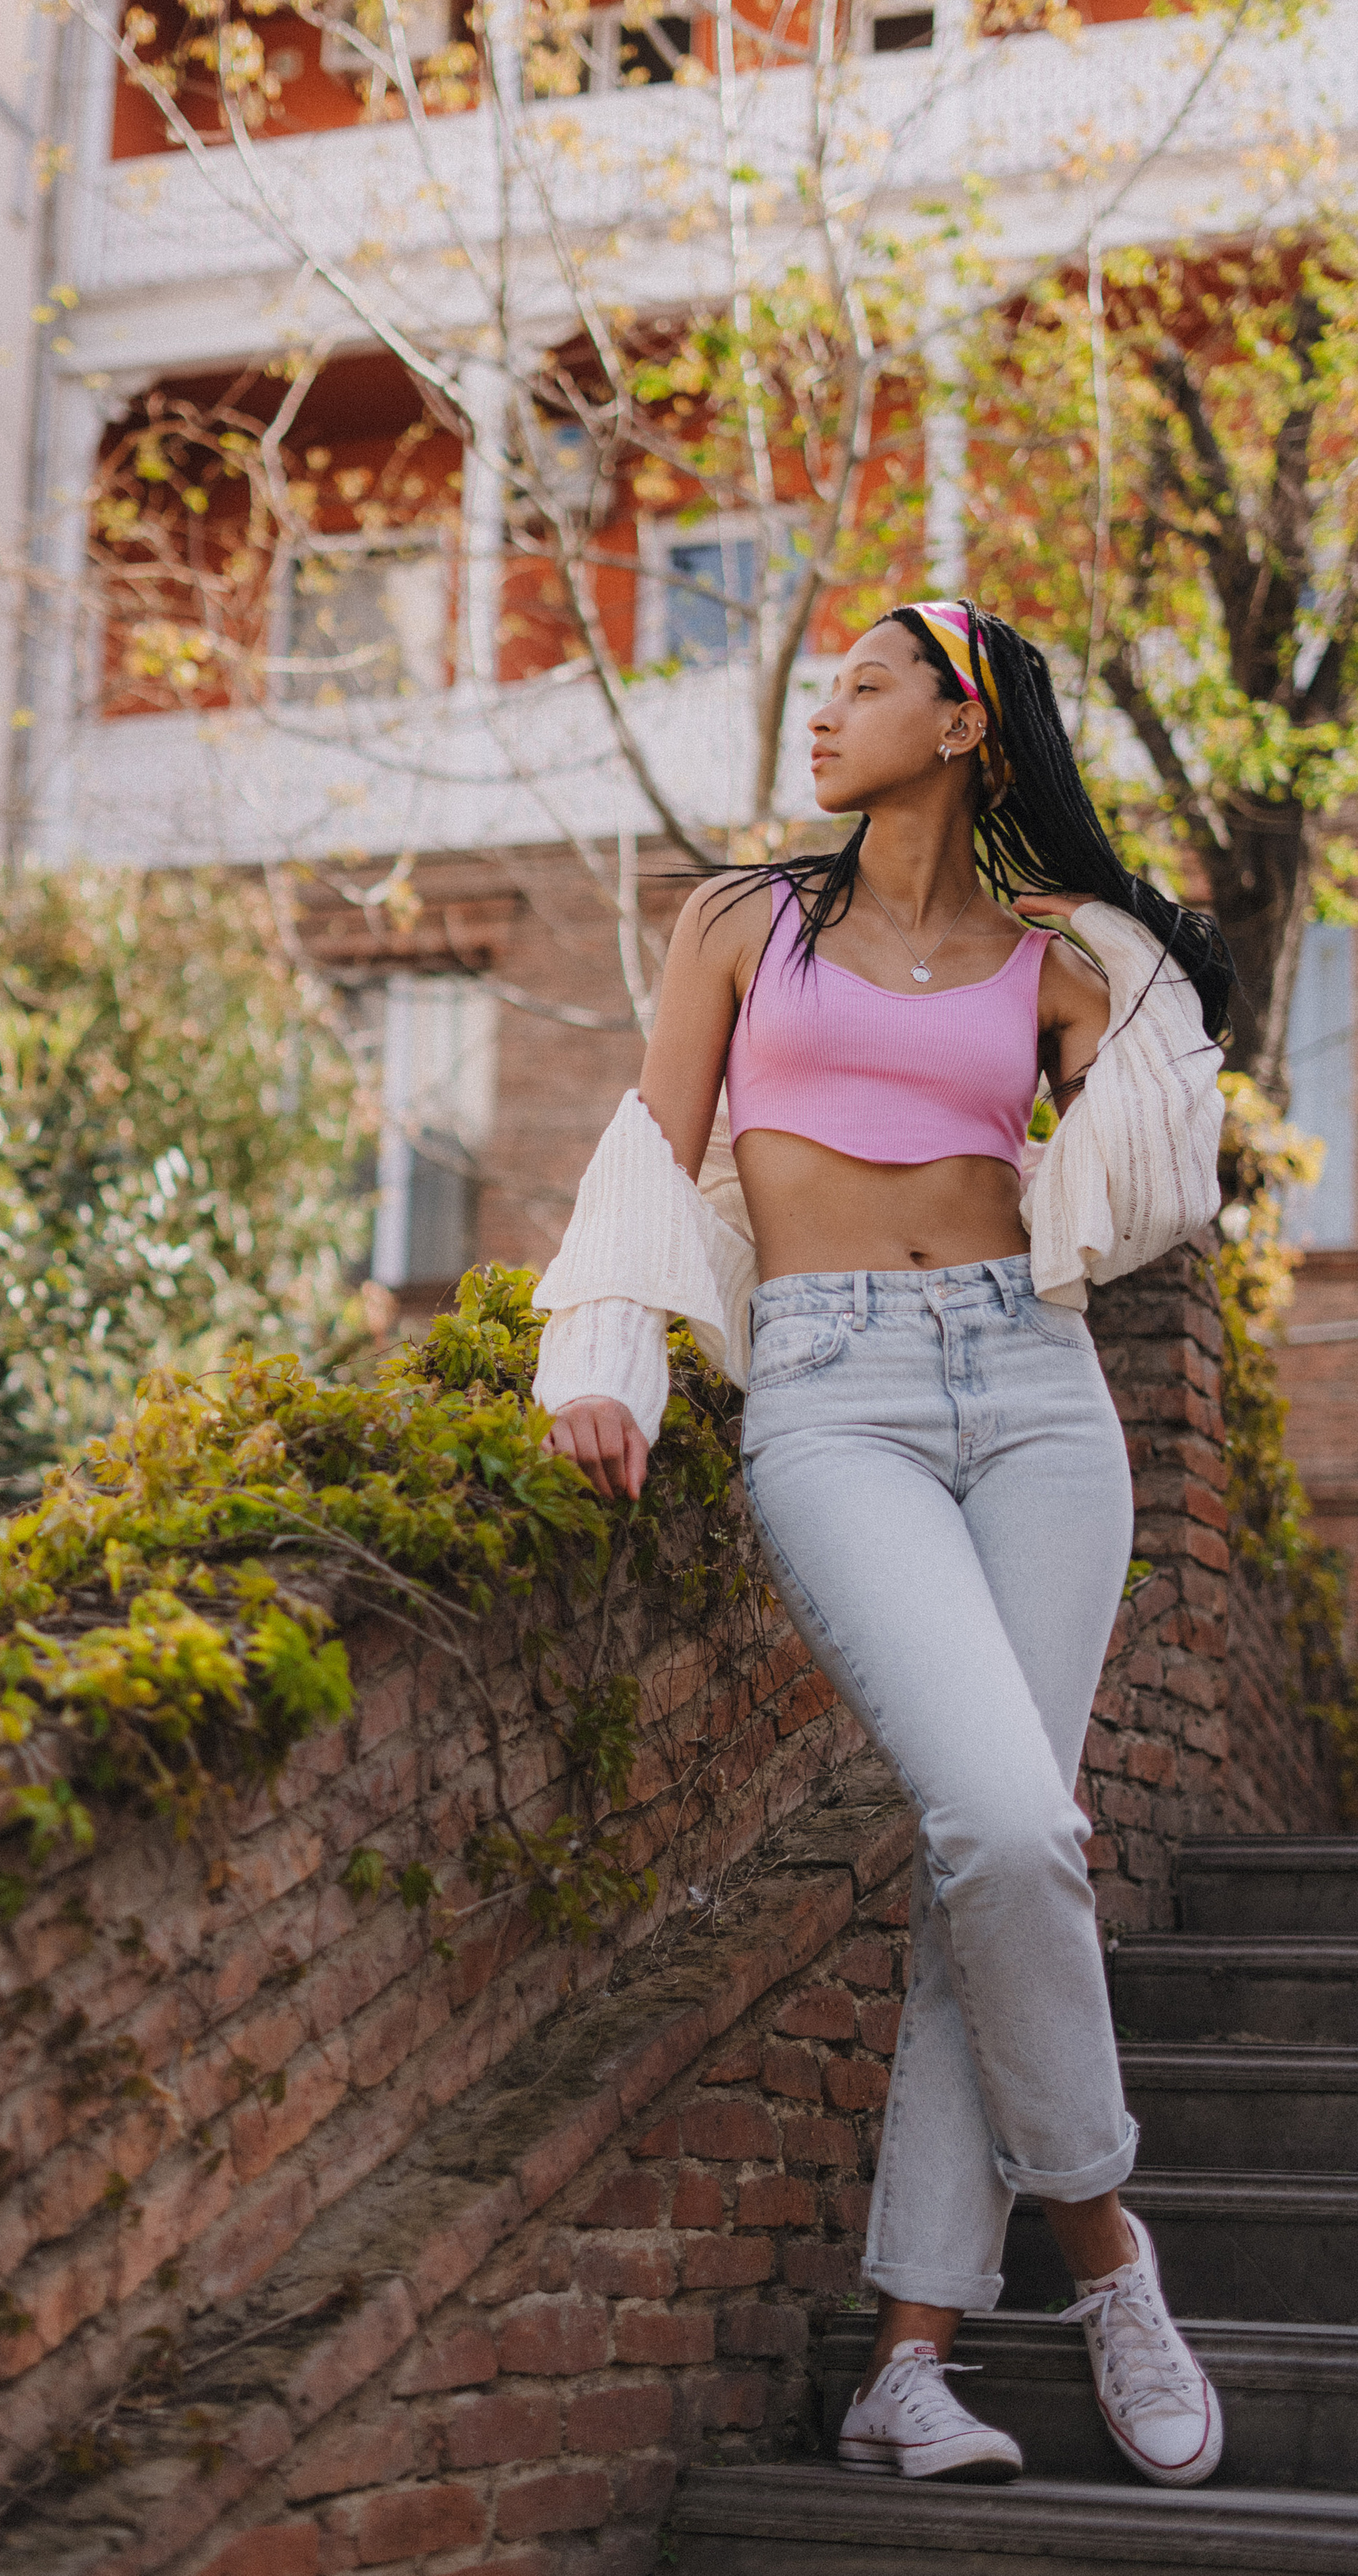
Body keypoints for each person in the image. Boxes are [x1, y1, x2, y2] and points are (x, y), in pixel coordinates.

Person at [532, 600, 1230, 2490]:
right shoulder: (744, 925)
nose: (825, 713)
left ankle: (906, 2371)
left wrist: (1125, 960)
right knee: (1009, 1825)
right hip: (835, 1400)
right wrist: (603, 1359)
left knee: (988, 1862)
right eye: (826, 686)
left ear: (968, 721)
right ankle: (1109, 2257)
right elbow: (649, 1150)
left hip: (1040, 1396)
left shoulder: (1050, 960)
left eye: (866, 684)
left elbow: (1166, 1173)